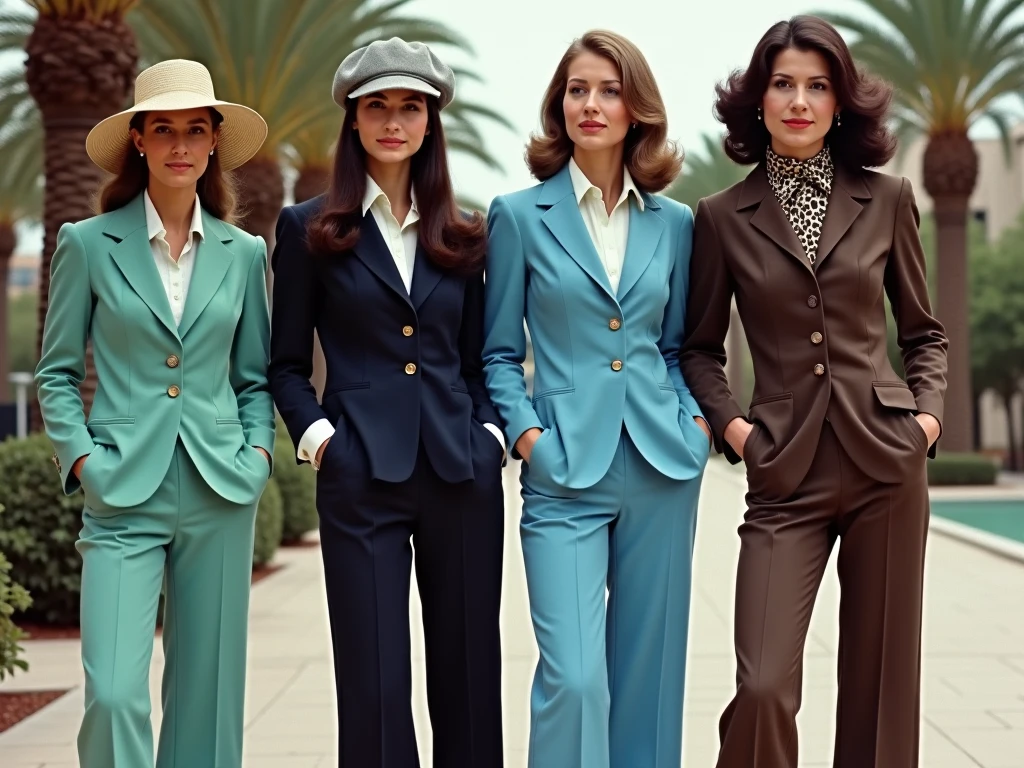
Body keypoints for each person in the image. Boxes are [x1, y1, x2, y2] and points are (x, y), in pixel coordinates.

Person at [681, 16, 948, 768]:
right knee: (763, 685)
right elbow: (699, 349)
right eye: (784, 84)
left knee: (879, 688)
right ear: (758, 100)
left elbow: (925, 332)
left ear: (840, 102)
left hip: (886, 466)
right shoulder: (721, 217)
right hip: (783, 475)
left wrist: (925, 421)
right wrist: (737, 433)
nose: (800, 100)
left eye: (818, 85)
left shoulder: (889, 198)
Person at [268, 38, 506, 768]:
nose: (393, 121)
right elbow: (282, 366)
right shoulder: (308, 229)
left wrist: (490, 436)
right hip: (360, 480)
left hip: (461, 477)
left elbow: (475, 361)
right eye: (378, 107)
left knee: (469, 683)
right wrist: (321, 443)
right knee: (373, 688)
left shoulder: (465, 233)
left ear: (430, 122)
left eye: (410, 107)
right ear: (354, 118)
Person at [35, 59, 274, 768]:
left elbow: (254, 378)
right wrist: (83, 461)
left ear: (213, 144)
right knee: (113, 693)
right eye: (163, 129)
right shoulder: (86, 242)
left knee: (209, 700)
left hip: (219, 489)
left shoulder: (244, 254)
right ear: (137, 140)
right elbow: (55, 372)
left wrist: (257, 458)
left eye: (194, 131)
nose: (179, 144)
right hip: (120, 493)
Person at [483, 29, 710, 768]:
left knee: (648, 684)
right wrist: (527, 438)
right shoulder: (519, 216)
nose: (592, 103)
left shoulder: (674, 225)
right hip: (561, 471)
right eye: (577, 89)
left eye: (609, 90)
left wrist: (695, 425)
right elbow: (495, 351)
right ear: (559, 105)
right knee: (575, 679)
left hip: (660, 466)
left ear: (636, 107)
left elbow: (675, 349)